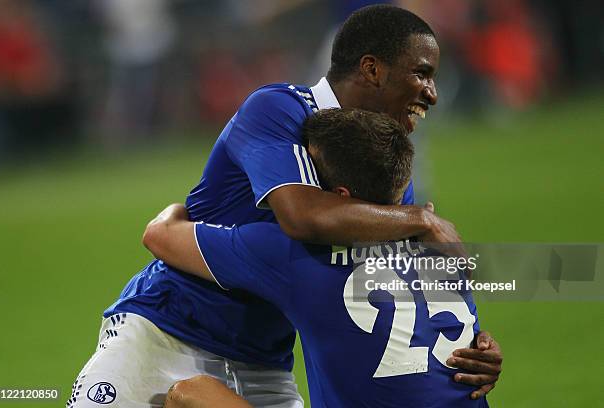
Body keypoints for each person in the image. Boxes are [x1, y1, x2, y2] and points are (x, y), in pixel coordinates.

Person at [68, 6, 501, 408]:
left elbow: (395, 283)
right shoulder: (278, 109)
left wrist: (464, 344)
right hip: (167, 333)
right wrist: (420, 218)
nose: (433, 93)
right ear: (372, 69)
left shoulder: (383, 161)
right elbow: (303, 218)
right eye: (422, 74)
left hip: (265, 361)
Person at [147, 108, 499, 407]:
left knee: (190, 394)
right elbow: (531, 276)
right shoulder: (442, 245)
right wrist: (483, 345)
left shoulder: (294, 254)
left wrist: (178, 208)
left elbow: (160, 235)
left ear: (340, 194)